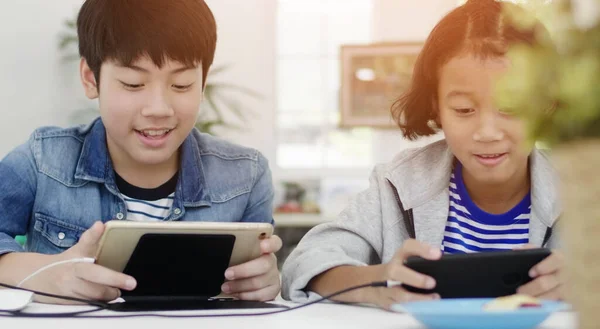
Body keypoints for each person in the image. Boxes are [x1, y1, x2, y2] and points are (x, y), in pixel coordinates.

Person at [281, 0, 563, 309]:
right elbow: (304, 263)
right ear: (436, 107)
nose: (487, 132)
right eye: (464, 110)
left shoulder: (583, 191)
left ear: (546, 104)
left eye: (511, 107)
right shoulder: (397, 183)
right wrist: (375, 283)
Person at [0, 0, 281, 304]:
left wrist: (264, 281)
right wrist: (46, 273)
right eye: (133, 84)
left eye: (182, 84)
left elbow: (259, 278)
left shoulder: (246, 176)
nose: (158, 109)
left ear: (203, 82)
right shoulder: (43, 161)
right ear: (91, 78)